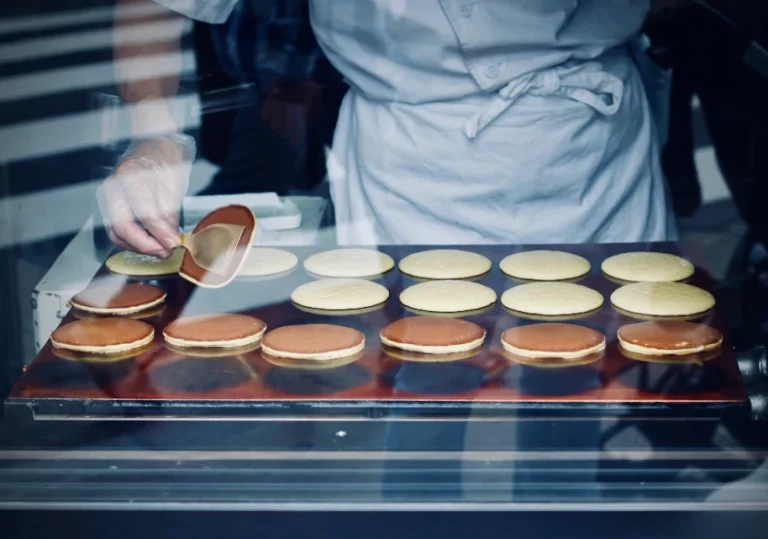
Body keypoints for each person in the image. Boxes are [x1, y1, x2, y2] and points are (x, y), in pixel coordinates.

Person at [100, 0, 679, 257]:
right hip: (410, 165)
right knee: (420, 395)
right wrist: (154, 139)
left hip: (590, 147)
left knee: (577, 389)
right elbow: (158, 6)